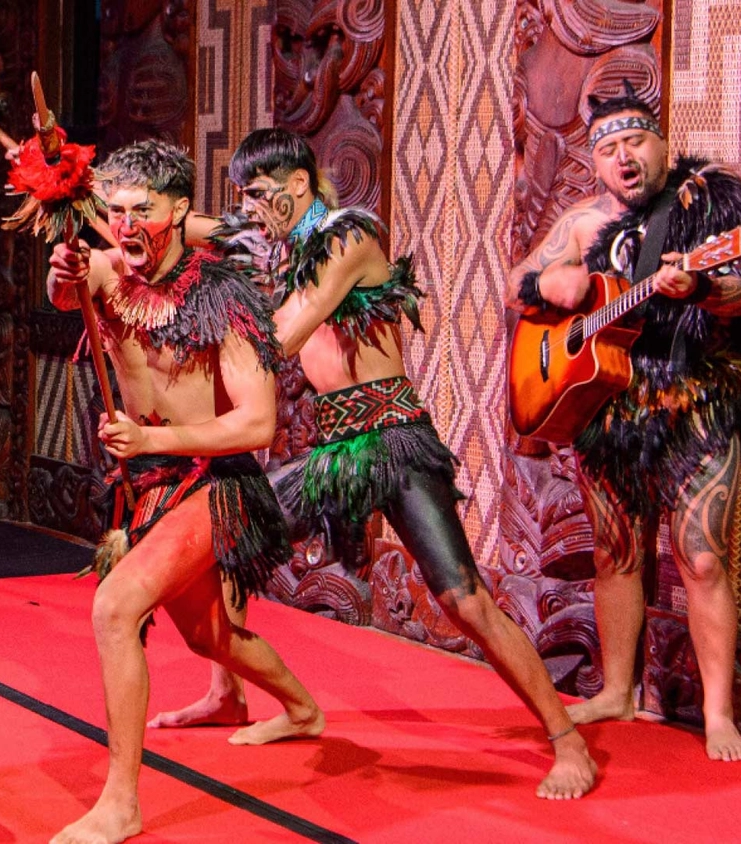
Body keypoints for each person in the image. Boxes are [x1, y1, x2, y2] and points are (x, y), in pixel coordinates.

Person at [190, 127, 596, 799]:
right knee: (232, 541)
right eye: (245, 199)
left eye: (261, 196)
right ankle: (238, 696)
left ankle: (566, 738)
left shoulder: (348, 240)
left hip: (394, 440)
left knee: (464, 600)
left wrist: (220, 327)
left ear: (298, 185)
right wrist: (118, 204)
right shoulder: (287, 239)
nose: (252, 211)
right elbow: (208, 225)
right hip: (335, 449)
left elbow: (285, 333)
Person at [46, 140, 318, 844]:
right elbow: (70, 285)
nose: (126, 223)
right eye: (114, 210)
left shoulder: (222, 298)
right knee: (209, 636)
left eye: (143, 209)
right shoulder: (107, 270)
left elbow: (257, 423)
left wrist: (154, 441)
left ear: (178, 210)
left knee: (115, 606)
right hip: (148, 485)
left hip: (212, 480)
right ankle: (299, 707)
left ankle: (120, 802)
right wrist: (61, 274)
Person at [507, 84, 741, 762]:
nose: (624, 157)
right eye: (609, 148)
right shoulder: (584, 222)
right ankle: (617, 688)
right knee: (615, 554)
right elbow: (516, 283)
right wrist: (550, 284)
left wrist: (702, 286)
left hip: (694, 399)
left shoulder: (709, 203)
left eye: (635, 143)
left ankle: (716, 713)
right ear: (594, 161)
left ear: (661, 144)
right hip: (608, 406)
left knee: (703, 558)